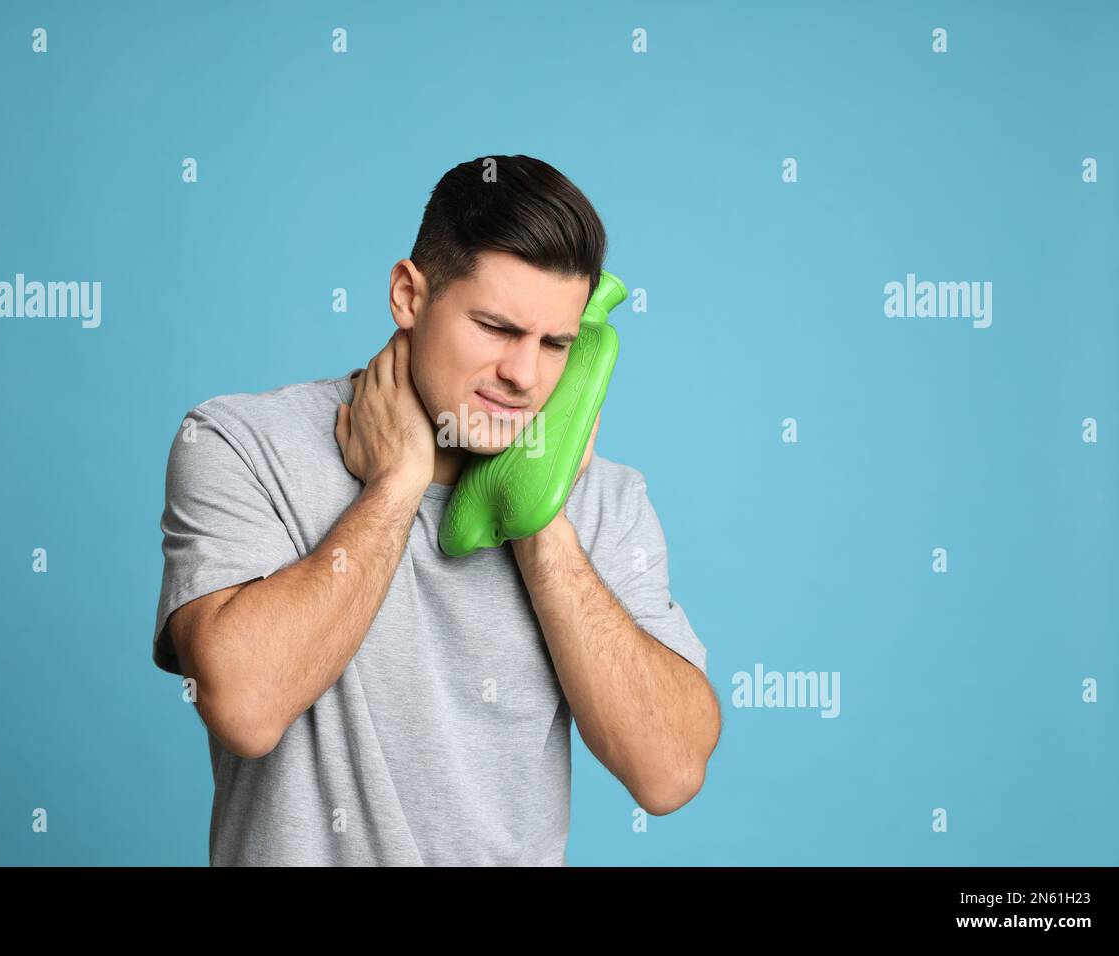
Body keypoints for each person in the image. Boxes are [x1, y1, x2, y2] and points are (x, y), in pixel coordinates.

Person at [151, 154, 721, 866]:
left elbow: (669, 773)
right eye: (496, 327)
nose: (522, 374)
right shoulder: (241, 443)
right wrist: (394, 487)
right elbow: (244, 706)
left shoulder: (604, 500)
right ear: (408, 295)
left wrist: (539, 516)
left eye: (555, 345)